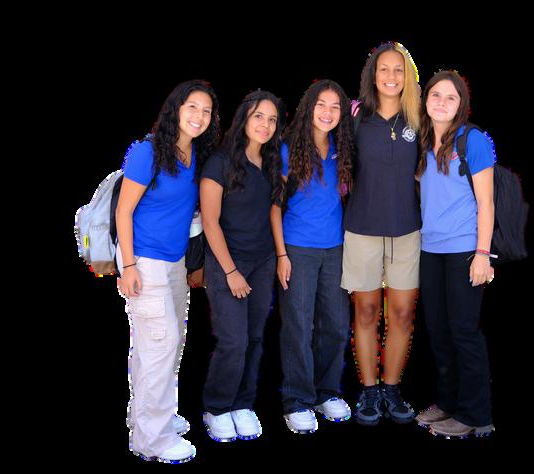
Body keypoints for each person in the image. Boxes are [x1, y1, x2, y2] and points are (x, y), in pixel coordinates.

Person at [116, 80, 220, 463]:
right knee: (159, 345)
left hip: (174, 262)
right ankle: (151, 439)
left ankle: (150, 415)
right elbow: (124, 211)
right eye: (192, 107)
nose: (199, 116)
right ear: (176, 108)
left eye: (206, 111)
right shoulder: (148, 151)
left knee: (166, 344)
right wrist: (129, 266)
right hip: (144, 260)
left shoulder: (195, 153)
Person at [413, 70, 497, 438]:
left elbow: (486, 202)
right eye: (436, 95)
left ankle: (476, 415)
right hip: (430, 250)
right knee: (438, 331)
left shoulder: (472, 140)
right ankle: (448, 403)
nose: (442, 102)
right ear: (426, 100)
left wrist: (483, 253)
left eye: (451, 97)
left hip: (464, 249)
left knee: (463, 332)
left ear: (461, 104)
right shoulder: (422, 139)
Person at [342, 42, 422, 425]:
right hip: (362, 229)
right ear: (373, 75)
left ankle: (392, 388)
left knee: (403, 314)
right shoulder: (356, 118)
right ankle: (369, 391)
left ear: (408, 76)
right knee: (366, 311)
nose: (391, 76)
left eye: (398, 69)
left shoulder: (419, 120)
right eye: (384, 69)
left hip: (408, 230)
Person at [199, 90, 286, 442]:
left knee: (254, 337)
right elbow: (210, 222)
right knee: (233, 341)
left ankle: (242, 404)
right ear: (244, 119)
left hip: (262, 261)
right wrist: (231, 271)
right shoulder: (219, 162)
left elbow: (272, 212)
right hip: (228, 263)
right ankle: (217, 407)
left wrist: (278, 256)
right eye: (258, 116)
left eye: (272, 119)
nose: (265, 124)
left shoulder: (271, 162)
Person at [270, 80, 355, 434]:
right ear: (309, 107)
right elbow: (275, 206)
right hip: (297, 248)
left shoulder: (341, 147)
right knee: (299, 325)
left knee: (336, 324)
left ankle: (326, 392)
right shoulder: (288, 148)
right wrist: (281, 254)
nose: (328, 112)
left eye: (336, 107)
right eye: (322, 104)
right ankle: (298, 400)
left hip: (335, 248)